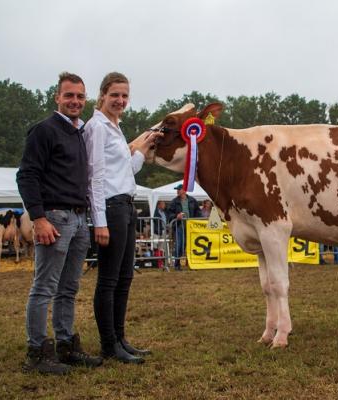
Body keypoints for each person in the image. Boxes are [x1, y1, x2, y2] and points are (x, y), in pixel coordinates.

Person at [17, 72, 102, 375]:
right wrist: (38, 218)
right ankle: (37, 351)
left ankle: (65, 345)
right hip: (54, 217)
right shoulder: (44, 130)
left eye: (80, 96)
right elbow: (26, 175)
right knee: (44, 287)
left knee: (68, 288)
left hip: (79, 219)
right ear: (57, 97)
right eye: (69, 95)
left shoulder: (79, 132)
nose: (75, 101)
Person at [84, 72, 161, 364]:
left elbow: (125, 171)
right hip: (111, 207)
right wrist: (99, 221)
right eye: (115, 94)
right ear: (102, 94)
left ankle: (119, 338)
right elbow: (95, 176)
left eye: (124, 96)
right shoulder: (98, 128)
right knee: (108, 279)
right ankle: (108, 344)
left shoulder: (115, 127)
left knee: (125, 276)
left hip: (127, 204)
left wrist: (142, 149)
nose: (120, 100)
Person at [166, 184, 202, 270]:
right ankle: (177, 265)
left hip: (191, 227)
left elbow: (198, 212)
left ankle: (192, 264)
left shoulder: (192, 200)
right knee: (179, 245)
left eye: (179, 189)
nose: (177, 191)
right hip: (179, 226)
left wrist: (198, 222)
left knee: (191, 245)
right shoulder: (174, 202)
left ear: (184, 190)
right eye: (177, 189)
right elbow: (169, 214)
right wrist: (176, 216)